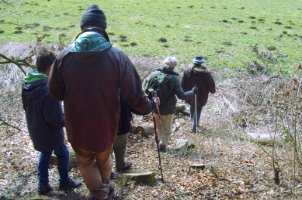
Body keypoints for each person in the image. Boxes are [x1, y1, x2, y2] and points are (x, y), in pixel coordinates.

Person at [48, 4, 158, 200]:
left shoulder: (63, 57)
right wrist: (149, 105)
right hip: (106, 125)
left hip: (77, 125)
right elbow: (134, 96)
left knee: (85, 161)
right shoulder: (117, 57)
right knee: (104, 158)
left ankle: (99, 192)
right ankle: (101, 193)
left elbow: (55, 93)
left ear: (81, 29)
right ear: (104, 30)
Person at [21, 49, 81, 195]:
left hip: (35, 127)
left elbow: (25, 106)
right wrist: (68, 120)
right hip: (50, 131)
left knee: (45, 152)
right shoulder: (48, 89)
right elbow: (55, 119)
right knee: (63, 153)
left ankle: (42, 183)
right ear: (49, 68)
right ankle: (64, 181)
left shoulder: (28, 83)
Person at [145, 56, 197, 152]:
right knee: (167, 129)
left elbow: (146, 90)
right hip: (168, 109)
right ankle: (163, 145)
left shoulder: (154, 75)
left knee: (158, 127)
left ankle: (159, 142)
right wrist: (192, 92)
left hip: (155, 106)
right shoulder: (174, 78)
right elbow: (181, 95)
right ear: (174, 67)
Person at [181, 55, 216, 132]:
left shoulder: (187, 72)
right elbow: (211, 86)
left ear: (194, 62)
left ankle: (193, 122)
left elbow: (182, 84)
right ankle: (195, 124)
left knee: (192, 106)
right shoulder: (206, 74)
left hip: (189, 94)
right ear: (201, 63)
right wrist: (213, 90)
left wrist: (183, 92)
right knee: (198, 108)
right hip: (201, 96)